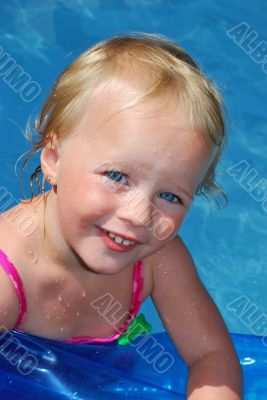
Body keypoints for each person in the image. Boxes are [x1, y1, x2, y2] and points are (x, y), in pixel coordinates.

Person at [0, 33, 242, 399]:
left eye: (169, 195)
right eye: (116, 176)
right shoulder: (7, 278)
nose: (139, 214)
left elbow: (211, 356)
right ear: (53, 160)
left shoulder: (161, 259)